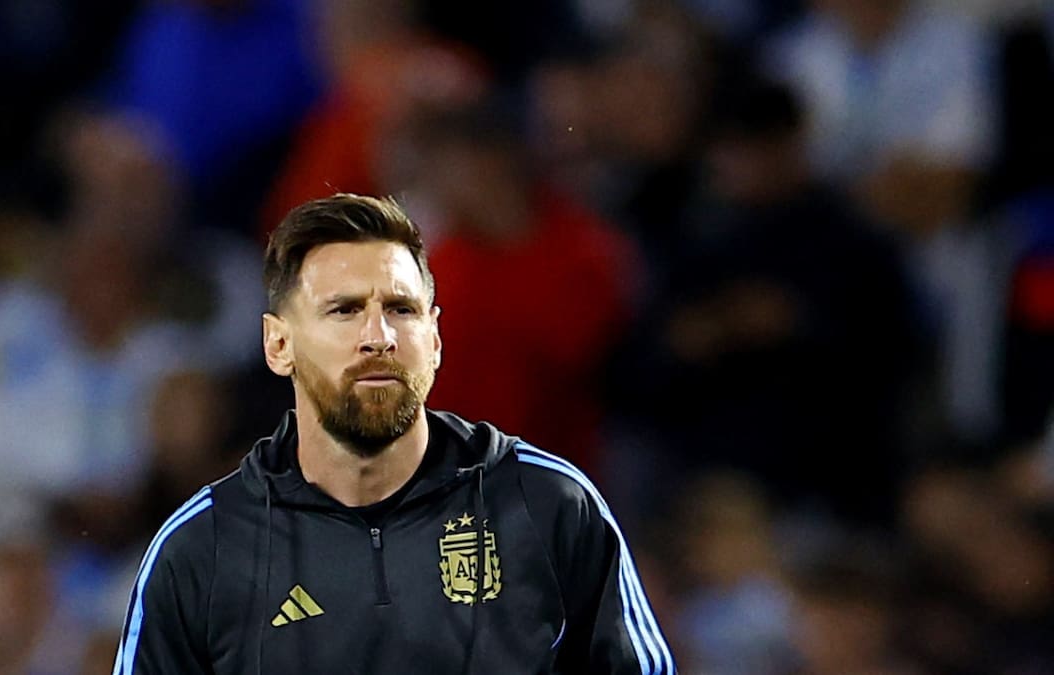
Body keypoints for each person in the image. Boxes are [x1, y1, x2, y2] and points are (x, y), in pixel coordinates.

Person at [112, 194, 676, 673]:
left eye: (401, 309)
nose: (378, 336)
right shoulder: (203, 550)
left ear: (434, 339)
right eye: (344, 310)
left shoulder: (546, 505)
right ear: (278, 344)